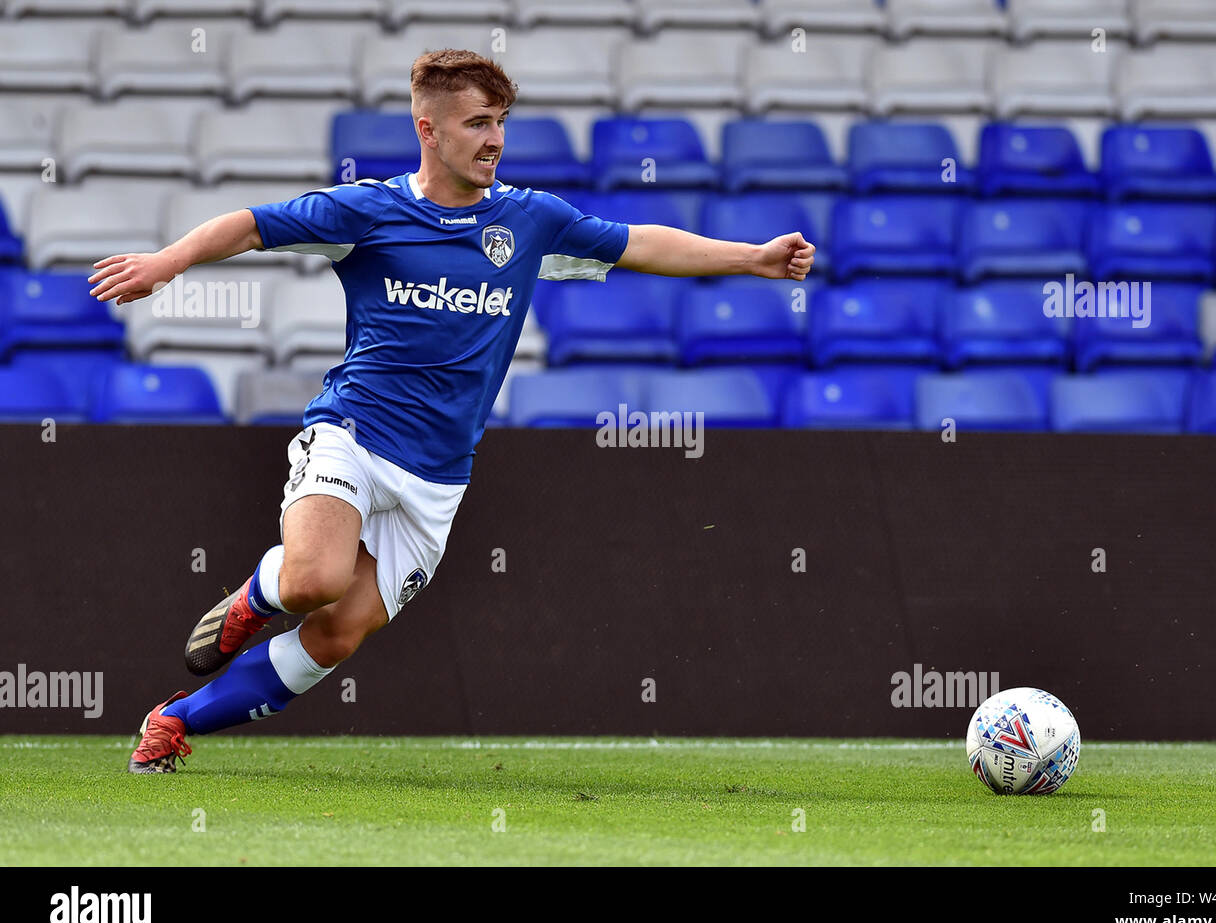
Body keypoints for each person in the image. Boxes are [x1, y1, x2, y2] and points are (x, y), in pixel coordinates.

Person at [88, 49, 815, 773]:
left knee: (337, 635)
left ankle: (172, 722)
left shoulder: (529, 222)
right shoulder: (370, 210)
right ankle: (253, 600)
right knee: (314, 580)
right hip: (352, 434)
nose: (494, 138)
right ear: (428, 130)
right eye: (476, 123)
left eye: (500, 122)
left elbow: (638, 244)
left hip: (437, 480)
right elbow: (249, 224)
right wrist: (167, 263)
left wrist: (751, 258)